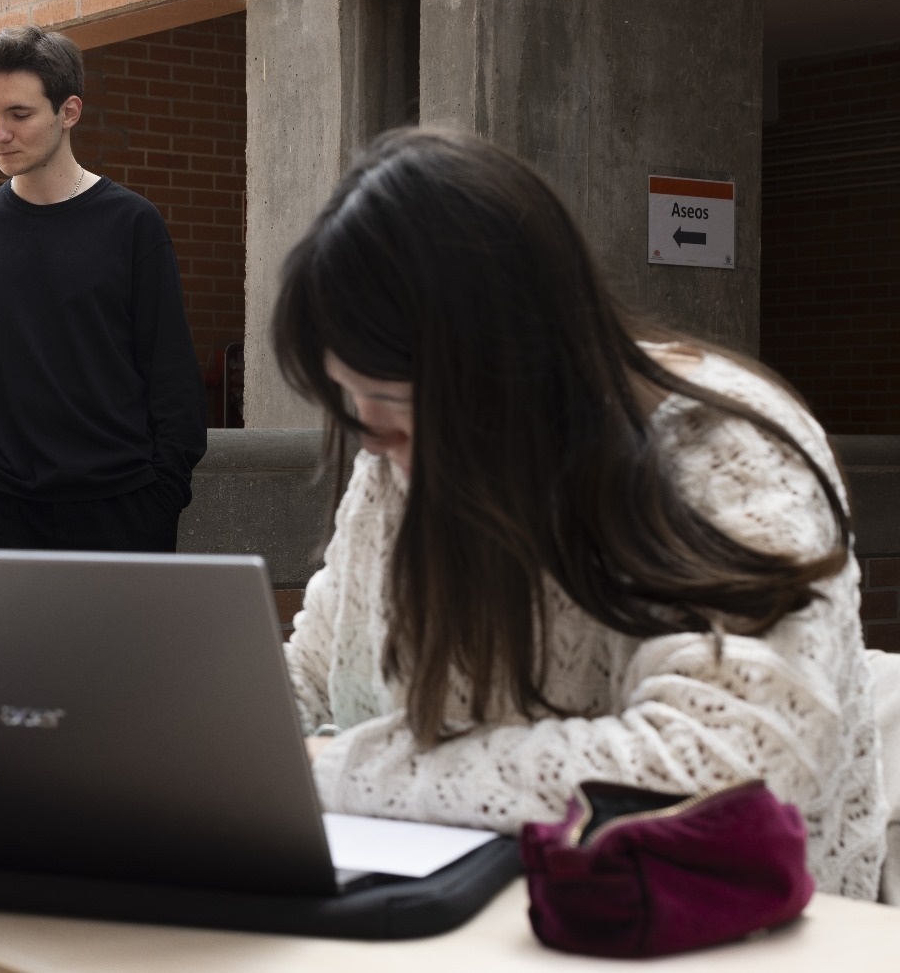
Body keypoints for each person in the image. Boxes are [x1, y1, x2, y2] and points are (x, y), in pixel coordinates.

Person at [273, 126, 886, 899]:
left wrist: (349, 770)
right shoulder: (394, 467)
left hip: (729, 924)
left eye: (391, 401)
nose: (370, 436)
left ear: (506, 364)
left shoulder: (726, 450)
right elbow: (315, 671)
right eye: (348, 401)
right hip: (480, 904)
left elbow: (725, 769)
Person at [0, 25, 206, 552]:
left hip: (125, 506)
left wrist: (163, 492)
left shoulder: (132, 223)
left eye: (19, 114)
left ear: (69, 111)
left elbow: (172, 373)